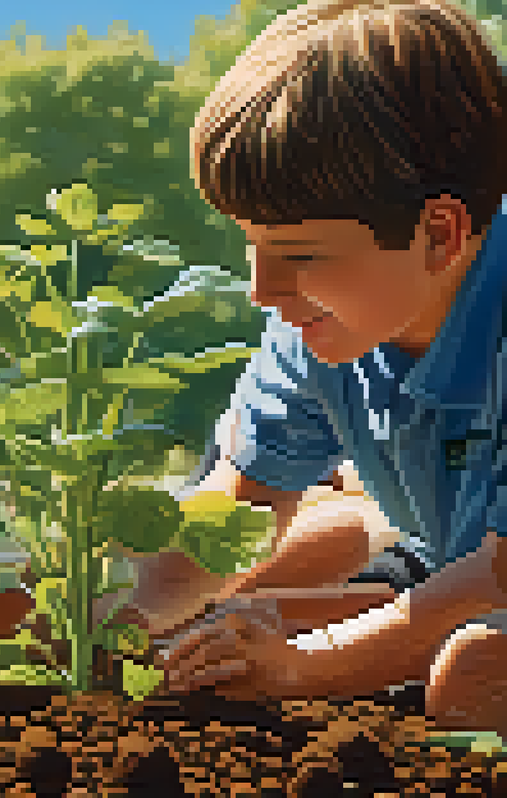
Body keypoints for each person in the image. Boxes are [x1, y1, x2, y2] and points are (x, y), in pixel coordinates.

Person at [156, 0, 507, 735]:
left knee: (472, 671)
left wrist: (303, 667)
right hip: (454, 556)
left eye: (301, 255)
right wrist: (100, 620)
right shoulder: (322, 327)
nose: (262, 290)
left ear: (439, 235)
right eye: (252, 245)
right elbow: (238, 510)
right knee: (229, 620)